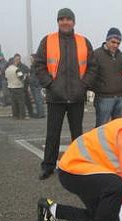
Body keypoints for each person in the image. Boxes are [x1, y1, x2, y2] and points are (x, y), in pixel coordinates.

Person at [34, 8, 97, 180]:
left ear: (74, 22)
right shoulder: (47, 41)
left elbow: (92, 67)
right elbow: (39, 65)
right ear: (58, 22)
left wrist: (83, 85)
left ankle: (78, 165)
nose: (65, 22)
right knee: (52, 134)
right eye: (61, 19)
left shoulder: (84, 41)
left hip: (77, 96)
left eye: (68, 19)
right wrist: (50, 85)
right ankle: (48, 166)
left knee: (77, 134)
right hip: (56, 97)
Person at [93, 27, 122, 127]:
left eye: (118, 43)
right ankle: (98, 143)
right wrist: (99, 88)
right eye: (113, 42)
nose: (115, 45)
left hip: (119, 97)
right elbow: (91, 74)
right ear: (107, 40)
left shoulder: (121, 55)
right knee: (101, 129)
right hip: (103, 98)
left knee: (119, 128)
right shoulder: (96, 54)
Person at [5, 54, 26, 120]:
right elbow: (21, 78)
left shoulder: (7, 70)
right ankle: (21, 116)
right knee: (20, 103)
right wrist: (25, 76)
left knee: (13, 103)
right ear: (14, 62)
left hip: (11, 87)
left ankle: (15, 116)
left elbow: (6, 77)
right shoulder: (17, 69)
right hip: (18, 87)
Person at [30, 54, 45, 118]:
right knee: (37, 100)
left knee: (38, 100)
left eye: (31, 58)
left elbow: (37, 75)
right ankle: (39, 113)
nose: (30, 60)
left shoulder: (35, 66)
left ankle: (40, 114)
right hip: (35, 84)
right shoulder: (34, 66)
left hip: (36, 85)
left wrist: (35, 83)